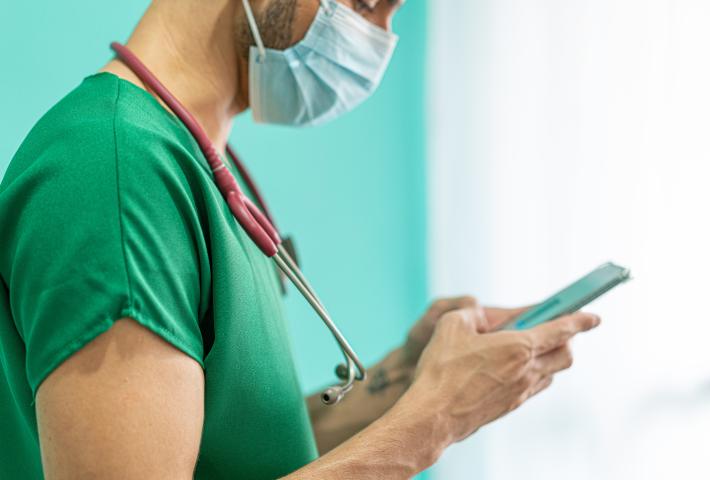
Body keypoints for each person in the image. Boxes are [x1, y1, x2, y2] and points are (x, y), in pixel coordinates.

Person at [0, 0, 601, 478]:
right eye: (365, 2)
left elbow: (243, 455)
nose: (377, 42)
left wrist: (410, 378)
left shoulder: (199, 160)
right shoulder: (116, 168)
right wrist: (434, 419)